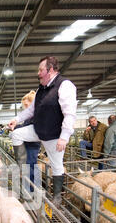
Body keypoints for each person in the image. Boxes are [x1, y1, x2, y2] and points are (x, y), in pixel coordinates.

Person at [8, 56, 77, 206]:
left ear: (50, 70)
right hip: (38, 130)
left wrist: (64, 137)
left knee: (56, 165)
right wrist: (17, 119)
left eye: (41, 70)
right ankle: (21, 165)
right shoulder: (41, 90)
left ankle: (57, 196)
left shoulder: (65, 85)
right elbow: (31, 110)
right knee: (16, 133)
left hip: (54, 135)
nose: (38, 73)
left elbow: (70, 113)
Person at [20, 90, 41, 192]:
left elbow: (31, 129)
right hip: (28, 144)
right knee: (29, 167)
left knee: (31, 167)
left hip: (32, 145)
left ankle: (32, 191)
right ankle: (30, 189)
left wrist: (17, 129)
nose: (25, 107)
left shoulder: (36, 115)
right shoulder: (29, 116)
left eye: (26, 105)